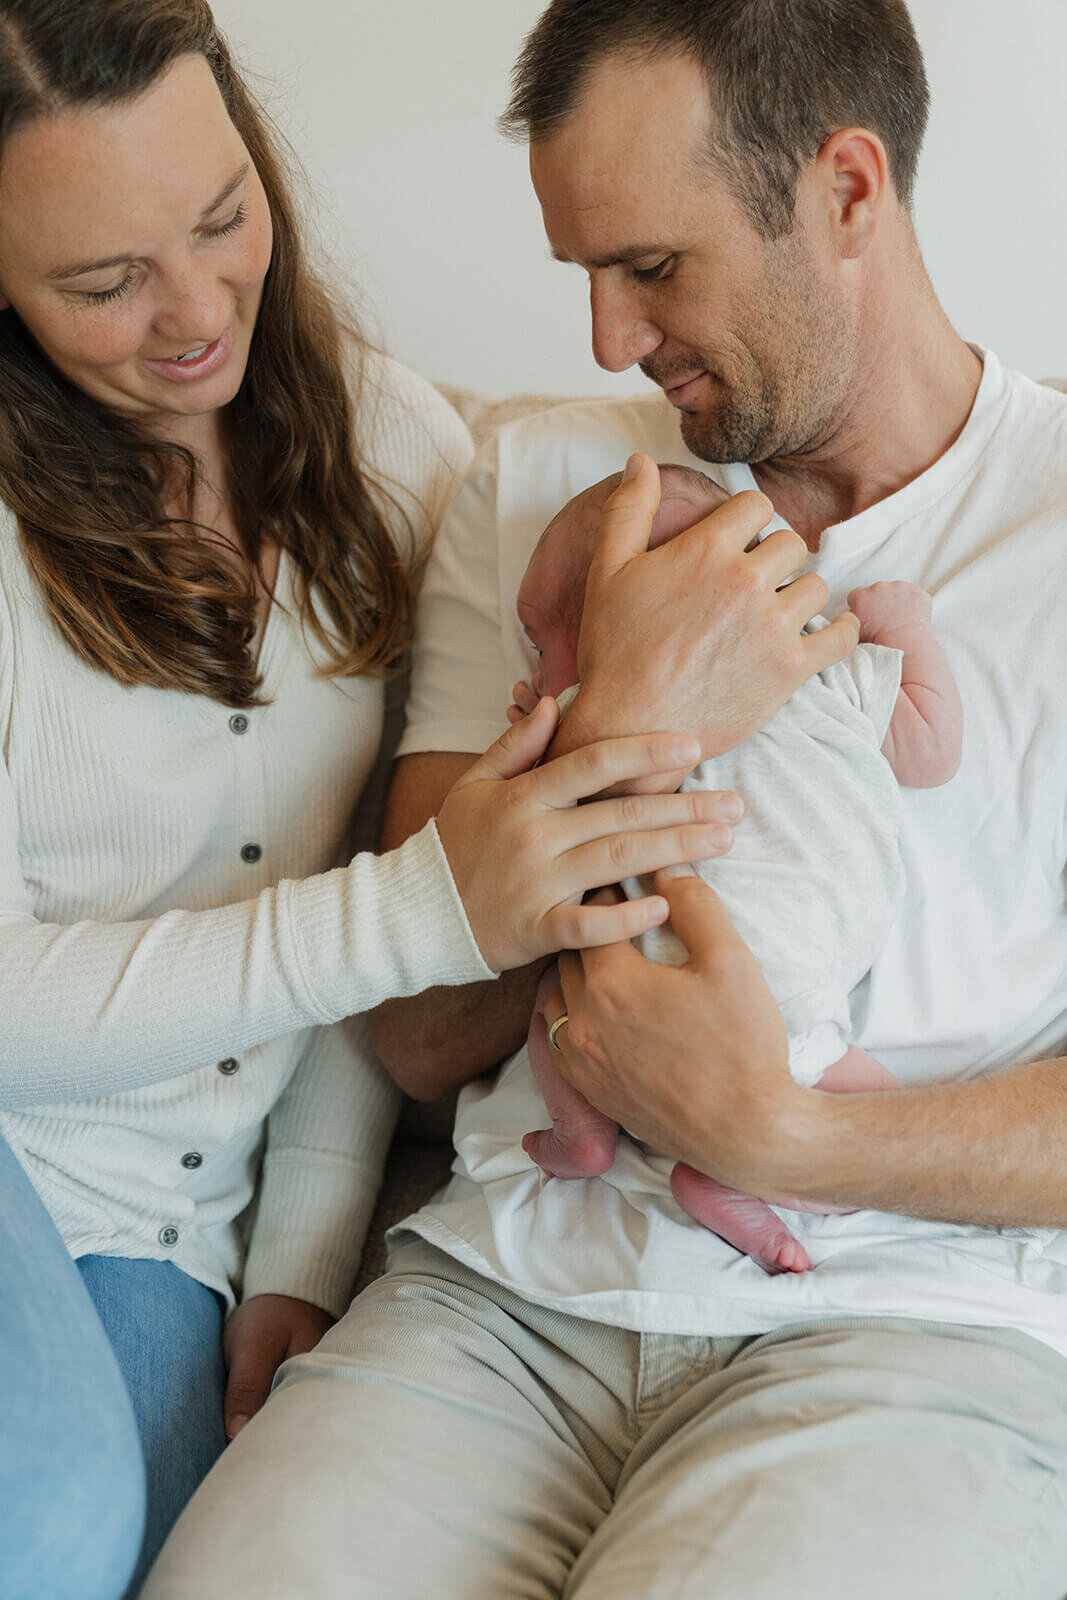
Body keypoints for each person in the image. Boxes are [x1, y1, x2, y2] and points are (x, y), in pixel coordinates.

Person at [145, 2, 1067, 1596]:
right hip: (495, 1303)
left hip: (905, 1332)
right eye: (580, 270)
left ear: (846, 191)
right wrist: (620, 722)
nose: (602, 341)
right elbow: (419, 1036)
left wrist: (776, 1133)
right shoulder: (544, 492)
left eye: (650, 266)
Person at [0, 2, 773, 1595]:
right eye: (100, 283)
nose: (197, 311)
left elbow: (378, 909)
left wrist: (306, 1239)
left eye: (221, 221)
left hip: (164, 1226)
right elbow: (397, 910)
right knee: (50, 1522)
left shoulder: (400, 451)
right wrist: (419, 909)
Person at [514, 462, 960, 1274]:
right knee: (882, 1145)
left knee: (551, 993)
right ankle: (732, 1177)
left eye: (546, 641)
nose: (537, 670)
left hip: (638, 980)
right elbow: (929, 751)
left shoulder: (596, 730)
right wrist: (906, 634)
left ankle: (584, 1134)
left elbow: (534, 848)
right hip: (798, 995)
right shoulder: (825, 673)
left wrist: (545, 740)